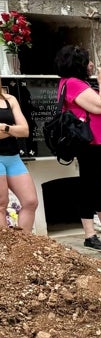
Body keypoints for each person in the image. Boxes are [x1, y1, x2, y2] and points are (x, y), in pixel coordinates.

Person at [55, 45, 101, 252]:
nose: (91, 64)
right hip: (90, 144)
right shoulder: (74, 84)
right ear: (78, 64)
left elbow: (95, 110)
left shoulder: (78, 83)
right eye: (87, 60)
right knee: (89, 187)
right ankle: (89, 234)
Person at [0, 81, 37, 230]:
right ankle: (4, 250)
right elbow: (18, 129)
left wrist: (5, 127)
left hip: (13, 157)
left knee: (30, 201)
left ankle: (22, 246)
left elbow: (25, 131)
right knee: (1, 205)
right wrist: (13, 130)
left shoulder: (10, 99)